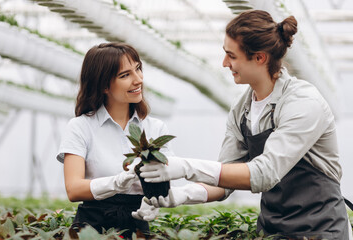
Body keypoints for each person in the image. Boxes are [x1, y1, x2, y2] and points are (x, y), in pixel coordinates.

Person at [137, 10, 353, 239]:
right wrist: (182, 195)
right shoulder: (243, 108)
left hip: (321, 230)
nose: (224, 63)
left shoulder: (303, 103)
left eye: (231, 56)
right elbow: (224, 180)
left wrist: (187, 167)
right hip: (272, 231)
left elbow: (265, 173)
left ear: (260, 57)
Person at [56, 42, 172, 238]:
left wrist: (154, 200)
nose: (138, 80)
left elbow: (165, 182)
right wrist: (117, 182)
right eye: (125, 75)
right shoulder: (80, 127)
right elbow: (74, 189)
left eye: (138, 69)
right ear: (103, 85)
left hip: (137, 225)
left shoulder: (155, 128)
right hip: (91, 227)